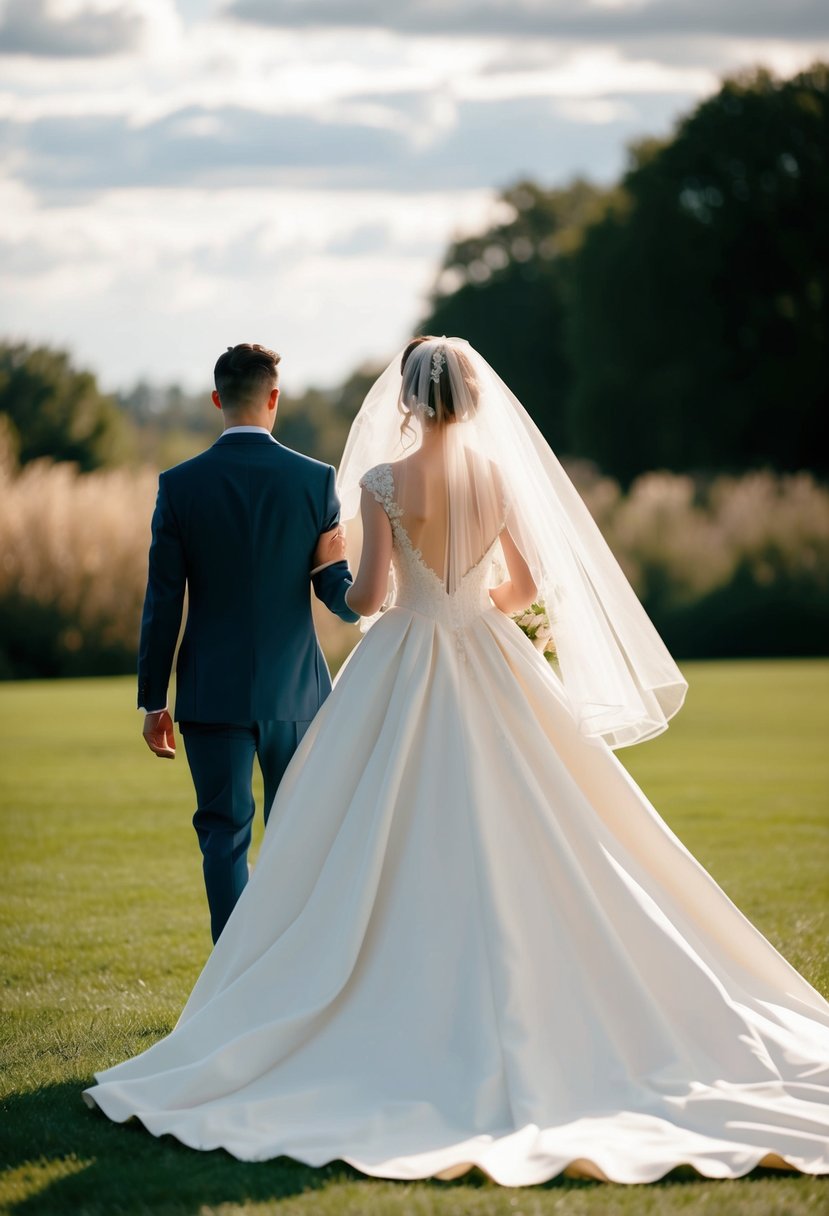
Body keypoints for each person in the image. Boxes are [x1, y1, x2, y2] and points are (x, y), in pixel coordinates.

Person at [84, 337, 829, 1186]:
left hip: (403, 659)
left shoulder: (381, 484)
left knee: (357, 831)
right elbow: (521, 589)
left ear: (405, 401)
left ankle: (296, 983)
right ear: (472, 400)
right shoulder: (499, 480)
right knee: (543, 821)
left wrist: (395, 592)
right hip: (487, 655)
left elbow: (364, 598)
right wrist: (475, 603)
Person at [136, 342, 358, 944]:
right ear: (275, 398)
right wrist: (372, 590)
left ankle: (230, 987)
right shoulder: (316, 481)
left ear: (217, 399)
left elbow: (163, 603)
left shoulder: (179, 486)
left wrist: (153, 700)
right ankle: (293, 973)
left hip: (212, 692)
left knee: (222, 836)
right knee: (297, 836)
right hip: (298, 692)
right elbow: (336, 594)